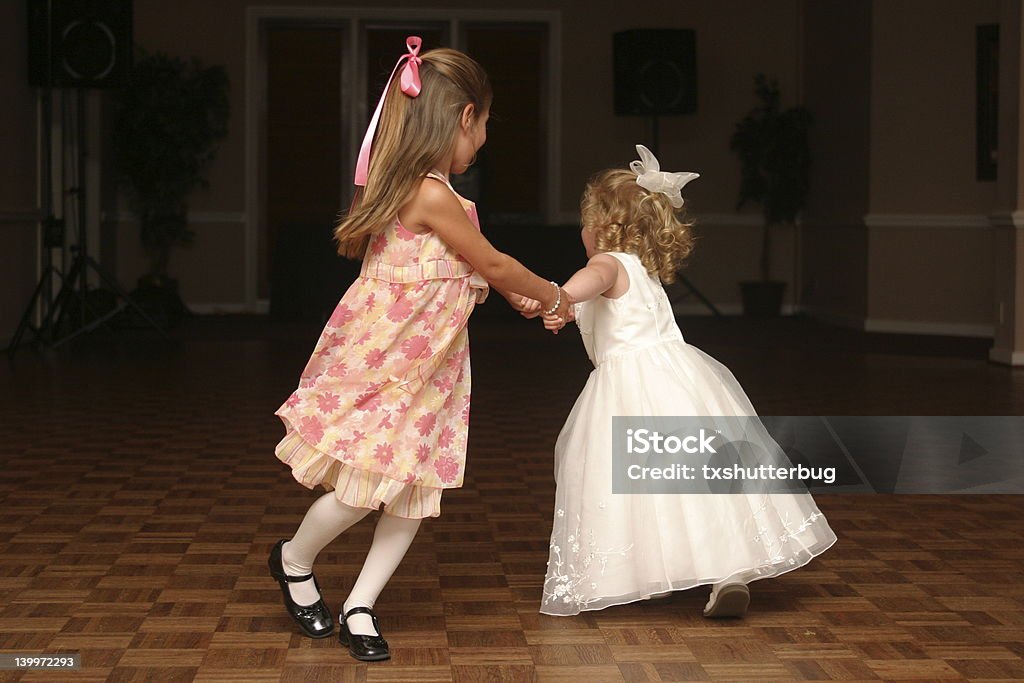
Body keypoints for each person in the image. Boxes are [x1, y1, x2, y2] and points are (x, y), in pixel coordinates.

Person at [268, 37, 571, 661]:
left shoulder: (426, 189)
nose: (482, 142)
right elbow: (490, 258)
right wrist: (551, 294)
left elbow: (467, 269)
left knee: (412, 485)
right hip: (390, 361)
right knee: (364, 485)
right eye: (482, 128)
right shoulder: (428, 193)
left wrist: (514, 298)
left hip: (433, 364)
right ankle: (294, 560)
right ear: (464, 118)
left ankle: (360, 604)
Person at [535, 145, 837, 617]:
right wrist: (568, 308)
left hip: (631, 390)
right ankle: (728, 571)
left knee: (630, 486)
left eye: (584, 222)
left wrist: (555, 300)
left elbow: (580, 286)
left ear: (600, 227)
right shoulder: (643, 269)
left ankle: (643, 568)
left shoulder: (606, 264)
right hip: (686, 382)